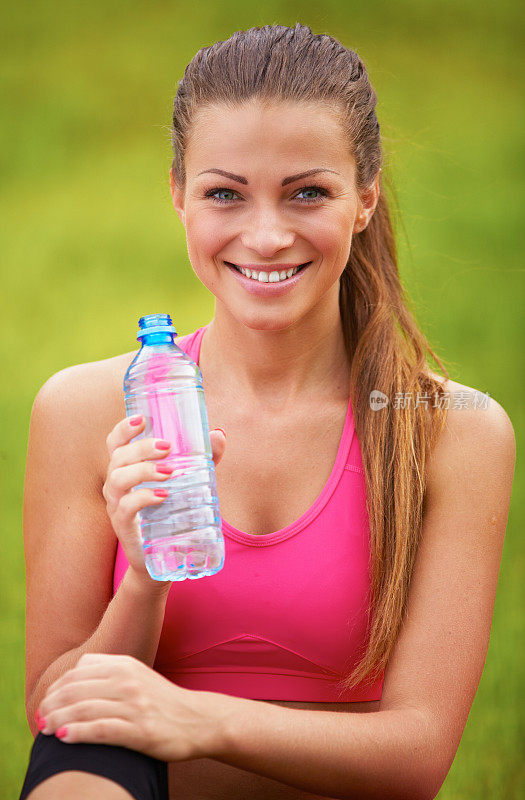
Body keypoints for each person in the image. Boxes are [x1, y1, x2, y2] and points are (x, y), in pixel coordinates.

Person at [19, 22, 515, 800]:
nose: (266, 235)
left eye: (307, 192)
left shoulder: (450, 430)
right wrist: (144, 580)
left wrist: (204, 720)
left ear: (364, 198)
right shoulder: (84, 409)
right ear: (178, 194)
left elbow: (419, 754)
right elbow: (58, 704)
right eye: (224, 193)